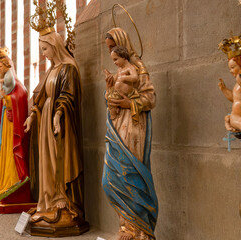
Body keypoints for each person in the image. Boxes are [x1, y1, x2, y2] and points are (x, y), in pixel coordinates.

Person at [24, 30, 86, 230]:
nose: (43, 53)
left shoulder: (69, 68)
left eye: (44, 49)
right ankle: (48, 199)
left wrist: (58, 115)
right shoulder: (51, 70)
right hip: (46, 121)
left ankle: (63, 198)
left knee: (59, 156)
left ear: (55, 46)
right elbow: (41, 97)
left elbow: (69, 95)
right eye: (41, 49)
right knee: (47, 160)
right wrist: (32, 116)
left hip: (61, 122)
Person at [102, 28, 158, 240]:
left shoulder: (138, 68)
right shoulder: (119, 70)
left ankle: (138, 230)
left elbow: (151, 99)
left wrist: (128, 103)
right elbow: (111, 97)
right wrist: (109, 92)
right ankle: (125, 226)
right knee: (110, 180)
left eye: (112, 48)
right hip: (116, 125)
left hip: (134, 126)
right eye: (109, 49)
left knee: (129, 174)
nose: (111, 54)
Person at [0, 47, 34, 212]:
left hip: (12, 130)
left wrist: (6, 99)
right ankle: (4, 183)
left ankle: (14, 181)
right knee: (5, 153)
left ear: (5, 65)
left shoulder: (17, 85)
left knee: (12, 153)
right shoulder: (8, 84)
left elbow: (20, 97)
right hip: (5, 129)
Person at [106, 46, 139, 121]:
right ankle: (114, 115)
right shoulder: (119, 69)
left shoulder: (130, 68)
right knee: (109, 98)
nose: (114, 62)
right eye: (113, 60)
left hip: (124, 94)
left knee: (112, 101)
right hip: (117, 92)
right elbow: (115, 79)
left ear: (123, 56)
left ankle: (114, 116)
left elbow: (135, 77)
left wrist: (124, 78)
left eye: (116, 59)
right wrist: (110, 78)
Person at [218, 55, 241, 131]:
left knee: (233, 120)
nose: (230, 71)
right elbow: (235, 99)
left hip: (237, 117)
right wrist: (224, 90)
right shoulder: (237, 85)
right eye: (230, 68)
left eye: (233, 67)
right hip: (236, 115)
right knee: (229, 118)